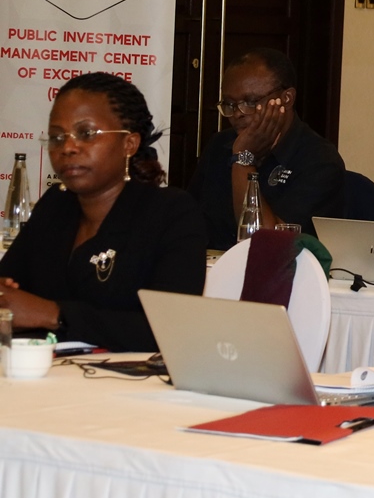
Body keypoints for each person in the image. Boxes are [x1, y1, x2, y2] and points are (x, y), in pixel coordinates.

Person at [0, 73, 207, 351]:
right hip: (48, 377)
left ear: (129, 144)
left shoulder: (170, 213)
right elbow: (11, 287)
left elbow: (170, 330)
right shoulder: (55, 205)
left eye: (86, 134)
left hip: (130, 386)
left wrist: (54, 315)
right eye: (57, 137)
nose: (68, 148)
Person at [188, 48, 344, 250]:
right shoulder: (220, 145)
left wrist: (243, 159)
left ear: (286, 98)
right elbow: (188, 222)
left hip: (281, 276)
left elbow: (268, 247)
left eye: (251, 102)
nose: (238, 114)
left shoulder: (319, 161)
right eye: (229, 104)